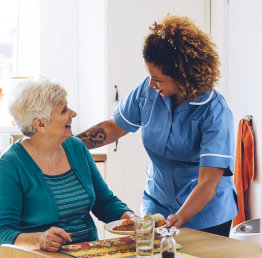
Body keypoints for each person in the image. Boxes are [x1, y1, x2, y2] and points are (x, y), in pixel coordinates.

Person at [77, 14, 238, 237]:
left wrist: (179, 218)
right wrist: (71, 144)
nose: (152, 83)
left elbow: (209, 181)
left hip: (205, 215)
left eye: (158, 79)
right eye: (150, 76)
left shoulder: (215, 112)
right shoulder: (149, 89)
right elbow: (115, 127)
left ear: (183, 76)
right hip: (158, 206)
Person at [0, 77, 135, 252]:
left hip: (88, 252)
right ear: (40, 123)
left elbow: (105, 203)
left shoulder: (76, 147)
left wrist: (131, 218)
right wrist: (40, 239)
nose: (73, 113)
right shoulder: (10, 165)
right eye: (64, 110)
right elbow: (3, 232)